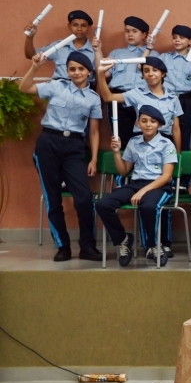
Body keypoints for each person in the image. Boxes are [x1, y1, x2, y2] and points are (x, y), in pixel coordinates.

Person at [19, 51, 101, 262]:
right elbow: (24, 87)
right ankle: (62, 246)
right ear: (67, 70)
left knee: (83, 198)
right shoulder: (56, 86)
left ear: (89, 72)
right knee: (52, 198)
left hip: (74, 147)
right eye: (72, 69)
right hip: (48, 144)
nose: (76, 73)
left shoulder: (93, 98)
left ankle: (88, 246)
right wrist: (35, 68)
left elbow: (93, 131)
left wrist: (92, 159)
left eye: (81, 69)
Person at [95, 105, 177, 267]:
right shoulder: (134, 142)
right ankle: (123, 239)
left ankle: (153, 246)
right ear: (138, 123)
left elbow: (166, 176)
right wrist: (117, 153)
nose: (148, 125)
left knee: (148, 206)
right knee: (103, 204)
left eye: (153, 122)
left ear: (159, 125)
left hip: (159, 186)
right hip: (135, 184)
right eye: (144, 121)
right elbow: (124, 171)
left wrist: (144, 190)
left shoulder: (167, 144)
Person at [95, 56, 182, 150]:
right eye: (146, 70)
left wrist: (178, 154)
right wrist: (101, 73)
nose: (150, 74)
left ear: (163, 74)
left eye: (155, 70)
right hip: (141, 142)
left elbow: (176, 129)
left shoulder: (173, 98)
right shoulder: (136, 94)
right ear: (143, 75)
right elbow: (108, 97)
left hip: (165, 143)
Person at [96, 16, 156, 147]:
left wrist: (149, 49)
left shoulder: (154, 54)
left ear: (144, 34)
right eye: (127, 31)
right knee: (120, 138)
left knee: (143, 137)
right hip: (118, 98)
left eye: (134, 31)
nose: (130, 34)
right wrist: (97, 50)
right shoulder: (117, 53)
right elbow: (103, 72)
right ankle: (123, 166)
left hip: (143, 98)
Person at [24, 9, 96, 81]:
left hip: (83, 89)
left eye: (83, 25)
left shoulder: (95, 50)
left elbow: (99, 77)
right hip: (59, 88)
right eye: (75, 25)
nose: (79, 29)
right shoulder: (58, 46)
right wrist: (29, 37)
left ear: (89, 27)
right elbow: (31, 55)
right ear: (69, 26)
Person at [162, 24, 191, 152]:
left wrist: (188, 97)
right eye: (174, 37)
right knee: (165, 130)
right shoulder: (164, 58)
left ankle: (183, 169)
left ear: (190, 41)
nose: (177, 40)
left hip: (185, 100)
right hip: (166, 99)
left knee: (185, 132)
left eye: (182, 38)